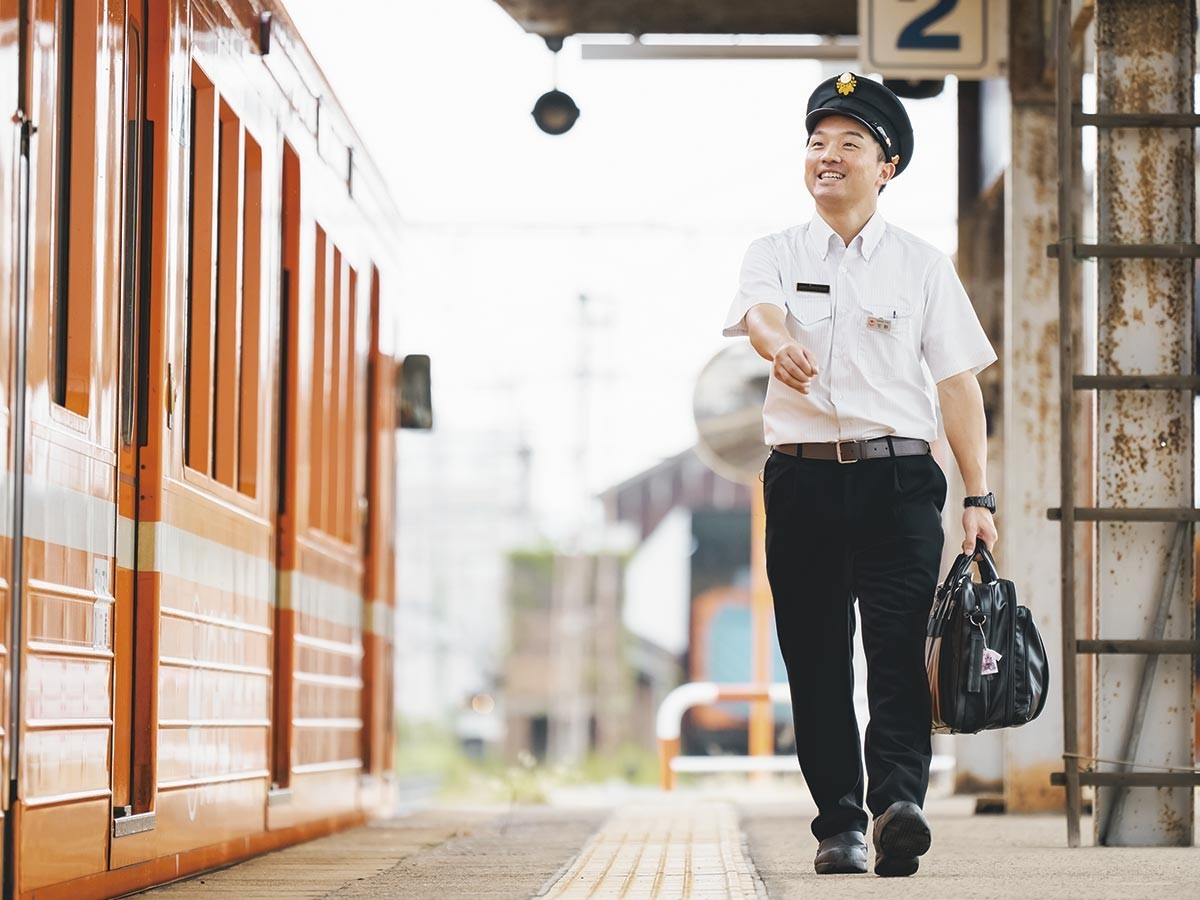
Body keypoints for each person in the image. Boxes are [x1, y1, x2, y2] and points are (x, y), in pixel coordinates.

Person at [722, 72, 998, 878]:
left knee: (895, 650)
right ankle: (838, 823)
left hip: (901, 482)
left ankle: (898, 805)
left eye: (850, 145)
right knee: (813, 658)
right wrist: (779, 346)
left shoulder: (920, 265)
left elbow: (957, 383)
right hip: (802, 482)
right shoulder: (773, 252)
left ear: (889, 167)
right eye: (817, 143)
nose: (828, 157)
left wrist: (977, 495)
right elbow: (760, 315)